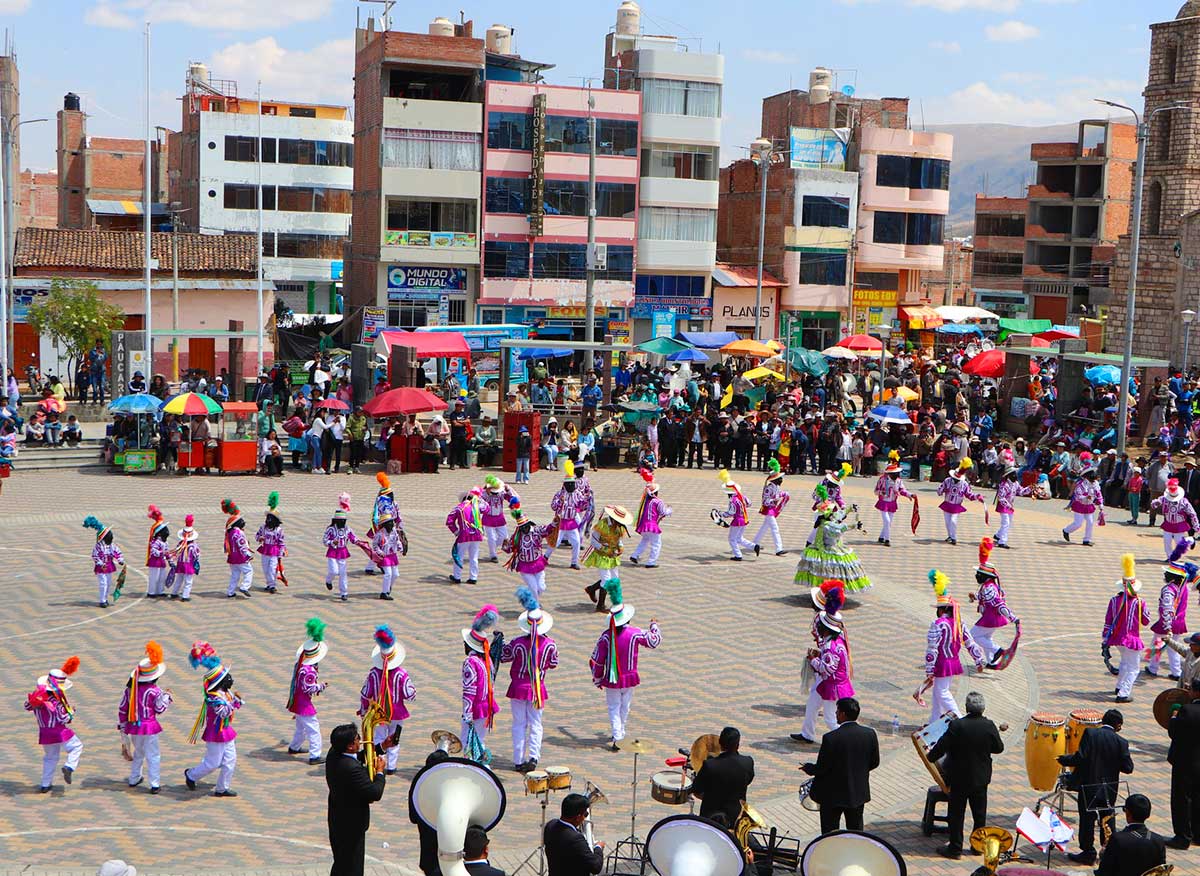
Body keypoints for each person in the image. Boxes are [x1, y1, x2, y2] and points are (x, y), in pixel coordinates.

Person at [926, 691, 1005, 860]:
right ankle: (977, 846)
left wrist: (930, 756)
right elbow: (998, 748)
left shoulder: (957, 726)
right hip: (980, 778)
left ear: (967, 707)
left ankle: (955, 848)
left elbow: (940, 747)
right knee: (979, 814)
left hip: (959, 777)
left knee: (957, 814)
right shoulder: (989, 725)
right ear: (983, 709)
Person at [589, 580, 660, 751]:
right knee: (624, 706)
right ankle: (619, 732)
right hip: (629, 677)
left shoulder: (606, 636)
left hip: (612, 678)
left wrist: (597, 678)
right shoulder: (635, 633)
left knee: (614, 706)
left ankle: (618, 734)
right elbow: (654, 640)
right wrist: (654, 625)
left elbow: (597, 660)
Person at [1058, 708, 1135, 865]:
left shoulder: (1090, 734)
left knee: (1087, 819)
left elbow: (1081, 757)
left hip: (1089, 787)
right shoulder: (1121, 742)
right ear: (1118, 725)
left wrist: (1065, 759)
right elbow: (1128, 767)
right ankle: (1108, 850)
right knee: (1107, 819)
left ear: (1103, 721)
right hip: (1109, 790)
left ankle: (1088, 852)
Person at [799, 697, 879, 835]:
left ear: (842, 714)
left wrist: (808, 768)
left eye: (837, 711)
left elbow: (822, 768)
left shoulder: (831, 738)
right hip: (857, 793)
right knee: (856, 832)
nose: (835, 714)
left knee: (829, 833)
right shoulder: (869, 734)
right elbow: (874, 762)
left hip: (832, 796)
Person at [502, 588, 558, 773]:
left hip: (518, 687)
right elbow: (553, 663)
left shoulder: (517, 642)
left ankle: (518, 759)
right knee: (536, 723)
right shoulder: (550, 644)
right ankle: (534, 756)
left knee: (519, 723)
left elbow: (504, 656)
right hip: (537, 689)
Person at [325, 723, 387, 876]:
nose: (360, 741)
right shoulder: (351, 769)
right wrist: (380, 772)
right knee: (352, 867)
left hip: (337, 819)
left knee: (341, 863)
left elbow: (358, 756)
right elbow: (374, 793)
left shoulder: (334, 753)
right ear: (350, 746)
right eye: (357, 739)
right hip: (352, 824)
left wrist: (382, 747)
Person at [924, 570, 986, 724]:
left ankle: (960, 720)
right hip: (953, 661)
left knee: (942, 692)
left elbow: (932, 650)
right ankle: (934, 721)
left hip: (942, 662)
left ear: (943, 609)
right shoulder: (958, 623)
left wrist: (930, 669)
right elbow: (970, 642)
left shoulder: (938, 625)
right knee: (938, 693)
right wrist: (978, 659)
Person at [183, 642, 242, 797]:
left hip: (226, 731)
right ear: (219, 682)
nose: (230, 679)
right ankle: (191, 775)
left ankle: (222, 788)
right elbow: (222, 712)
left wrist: (235, 702)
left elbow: (230, 707)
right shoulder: (214, 698)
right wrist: (233, 704)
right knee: (212, 764)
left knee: (230, 760)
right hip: (216, 734)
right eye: (227, 677)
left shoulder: (225, 693)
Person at [359, 625, 415, 775]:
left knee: (379, 737)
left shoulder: (373, 674)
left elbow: (365, 694)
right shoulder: (402, 674)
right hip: (398, 712)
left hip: (378, 712)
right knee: (395, 738)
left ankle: (379, 765)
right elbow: (410, 694)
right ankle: (392, 766)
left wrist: (364, 710)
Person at [26, 655, 83, 792]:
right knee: (76, 747)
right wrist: (71, 712)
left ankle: (45, 784)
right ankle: (69, 766)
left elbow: (27, 706)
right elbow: (63, 717)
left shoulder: (37, 698)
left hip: (44, 732)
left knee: (50, 758)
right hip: (59, 731)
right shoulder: (55, 701)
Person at [1104, 555, 1151, 703]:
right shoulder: (1139, 602)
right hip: (1131, 639)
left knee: (1124, 662)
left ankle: (1119, 686)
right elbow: (1146, 620)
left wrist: (1106, 637)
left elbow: (1108, 620)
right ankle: (1123, 693)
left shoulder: (1113, 600)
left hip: (1117, 639)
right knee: (1133, 668)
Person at [969, 538, 1020, 667]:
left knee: (973, 636)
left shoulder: (989, 588)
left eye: (979, 574)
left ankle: (997, 650)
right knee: (986, 638)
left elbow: (999, 604)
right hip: (991, 618)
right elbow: (984, 597)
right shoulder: (987, 586)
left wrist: (1013, 617)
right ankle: (991, 661)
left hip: (990, 619)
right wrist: (975, 596)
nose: (977, 576)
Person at [461, 606, 502, 763]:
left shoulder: (470, 662)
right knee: (480, 741)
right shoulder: (486, 660)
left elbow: (469, 690)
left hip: (476, 708)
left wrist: (467, 713)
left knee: (469, 743)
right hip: (486, 705)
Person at [691, 725, 755, 825]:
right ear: (737, 745)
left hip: (710, 816)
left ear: (720, 744)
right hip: (735, 816)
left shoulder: (709, 765)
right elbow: (748, 780)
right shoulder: (747, 762)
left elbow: (696, 789)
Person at [286, 619, 329, 766]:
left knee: (300, 726)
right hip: (304, 703)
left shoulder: (300, 666)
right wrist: (321, 686)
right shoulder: (309, 671)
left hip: (298, 700)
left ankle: (294, 746)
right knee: (313, 729)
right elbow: (309, 688)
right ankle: (315, 755)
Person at [1095, 793, 1166, 876]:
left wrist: (1103, 856)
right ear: (1148, 815)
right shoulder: (1158, 840)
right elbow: (1160, 870)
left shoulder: (1118, 839)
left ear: (1128, 813)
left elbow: (1105, 872)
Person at [1167, 677, 1200, 850]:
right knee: (1198, 798)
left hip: (1185, 762)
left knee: (1181, 799)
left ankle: (1182, 837)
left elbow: (1174, 731)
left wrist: (1173, 716)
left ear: (1195, 692)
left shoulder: (1187, 710)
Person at [1149, 561, 1193, 678]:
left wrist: (1167, 626)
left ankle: (1153, 668)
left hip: (1167, 623)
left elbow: (1167, 608)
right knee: (1173, 648)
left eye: (1167, 573)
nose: (1165, 574)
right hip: (1179, 622)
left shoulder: (1169, 589)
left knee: (1157, 645)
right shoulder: (1184, 588)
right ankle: (1176, 672)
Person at [544, 793, 604, 876]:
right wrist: (598, 847)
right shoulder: (575, 839)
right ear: (578, 817)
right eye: (585, 814)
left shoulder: (550, 825)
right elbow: (595, 867)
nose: (585, 818)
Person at [628, 469, 672, 568]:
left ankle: (635, 555)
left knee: (645, 540)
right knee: (656, 543)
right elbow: (663, 512)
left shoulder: (646, 501)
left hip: (644, 525)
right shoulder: (658, 501)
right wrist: (670, 510)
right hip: (652, 526)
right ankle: (651, 562)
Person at [547, 461, 587, 569]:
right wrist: (560, 502)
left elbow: (582, 505)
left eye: (573, 484)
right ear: (565, 485)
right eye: (569, 484)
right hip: (560, 522)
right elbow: (553, 506)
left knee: (576, 542)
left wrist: (586, 502)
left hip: (571, 522)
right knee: (555, 542)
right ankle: (545, 557)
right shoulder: (559, 494)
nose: (571, 486)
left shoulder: (577, 494)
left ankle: (574, 562)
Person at [937, 458, 983, 546]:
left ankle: (953, 538)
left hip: (956, 505)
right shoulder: (947, 481)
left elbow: (969, 495)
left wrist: (977, 496)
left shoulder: (964, 484)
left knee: (953, 521)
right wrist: (943, 490)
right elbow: (939, 490)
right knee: (947, 522)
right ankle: (950, 536)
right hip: (947, 504)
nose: (955, 480)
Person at [1151, 477, 1199, 559]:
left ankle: (1190, 540)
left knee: (1179, 543)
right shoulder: (1164, 499)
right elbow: (1154, 504)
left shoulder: (1184, 502)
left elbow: (1192, 514)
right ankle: (1170, 557)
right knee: (1167, 541)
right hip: (1168, 523)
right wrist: (1156, 503)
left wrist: (1196, 525)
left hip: (1179, 524)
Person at [323, 494, 360, 601]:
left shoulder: (347, 529)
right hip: (332, 552)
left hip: (343, 552)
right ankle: (329, 580)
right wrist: (331, 542)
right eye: (341, 521)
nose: (343, 523)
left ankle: (344, 592)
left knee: (343, 572)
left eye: (344, 521)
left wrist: (359, 542)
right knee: (334, 571)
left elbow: (353, 537)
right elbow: (324, 541)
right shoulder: (330, 529)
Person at [873, 451, 914, 547]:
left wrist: (910, 495)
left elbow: (902, 490)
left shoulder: (898, 481)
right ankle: (887, 539)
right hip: (883, 502)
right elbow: (875, 491)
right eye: (894, 474)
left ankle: (881, 537)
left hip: (892, 503)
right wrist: (881, 493)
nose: (896, 475)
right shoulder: (882, 480)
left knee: (889, 522)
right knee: (887, 521)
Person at [83, 515, 124, 608]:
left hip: (109, 566)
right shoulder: (98, 546)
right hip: (101, 568)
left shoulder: (111, 546)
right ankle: (102, 600)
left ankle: (105, 599)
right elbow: (95, 556)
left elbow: (117, 552)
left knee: (108, 583)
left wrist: (120, 559)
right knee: (103, 583)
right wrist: (100, 563)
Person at [752, 459, 791, 556]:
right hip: (768, 509)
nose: (782, 480)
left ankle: (754, 543)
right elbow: (765, 501)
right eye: (780, 478)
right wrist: (774, 499)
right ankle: (779, 549)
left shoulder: (776, 487)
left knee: (764, 527)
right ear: (775, 479)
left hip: (772, 508)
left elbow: (777, 494)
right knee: (775, 528)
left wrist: (783, 494)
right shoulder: (769, 488)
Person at [446, 490, 485, 585]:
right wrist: (481, 500)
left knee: (459, 556)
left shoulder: (459, 508)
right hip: (476, 535)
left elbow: (449, 521)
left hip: (464, 535)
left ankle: (457, 577)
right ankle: (473, 577)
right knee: (474, 557)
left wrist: (456, 531)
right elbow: (487, 509)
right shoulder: (477, 507)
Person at [717, 470, 756, 561]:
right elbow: (749, 504)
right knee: (739, 538)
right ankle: (754, 546)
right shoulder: (742, 496)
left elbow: (731, 513)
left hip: (737, 521)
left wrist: (720, 514)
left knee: (732, 539)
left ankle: (738, 555)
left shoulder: (733, 501)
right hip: (744, 519)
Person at [992, 465, 1033, 548]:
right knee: (1006, 522)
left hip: (1009, 506)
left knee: (1009, 523)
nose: (1015, 476)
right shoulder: (1004, 485)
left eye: (1015, 474)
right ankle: (1002, 542)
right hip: (1003, 506)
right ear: (1009, 475)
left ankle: (998, 535)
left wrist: (1029, 488)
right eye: (1013, 474)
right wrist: (1007, 505)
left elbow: (1021, 492)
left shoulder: (1015, 484)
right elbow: (1001, 497)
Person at [221, 500, 254, 599]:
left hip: (232, 557)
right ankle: (245, 586)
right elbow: (242, 545)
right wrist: (248, 554)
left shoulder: (230, 533)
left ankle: (230, 592)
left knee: (235, 575)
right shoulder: (239, 533)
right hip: (240, 557)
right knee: (249, 571)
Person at [255, 492, 286, 594]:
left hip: (274, 551)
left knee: (272, 568)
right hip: (265, 550)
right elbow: (257, 536)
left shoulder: (279, 530)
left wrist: (281, 554)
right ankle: (269, 584)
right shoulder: (263, 527)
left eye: (270, 518)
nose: (268, 519)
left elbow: (281, 543)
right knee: (265, 568)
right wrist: (260, 538)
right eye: (268, 517)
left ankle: (272, 585)